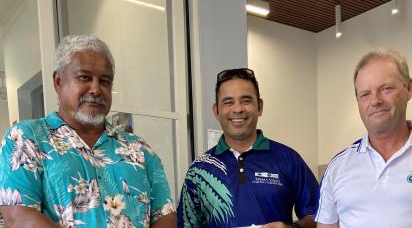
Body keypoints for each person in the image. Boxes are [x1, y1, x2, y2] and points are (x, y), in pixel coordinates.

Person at [0, 35, 176, 227]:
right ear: (58, 81)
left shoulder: (140, 150)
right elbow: (18, 217)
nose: (95, 89)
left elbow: (165, 216)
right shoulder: (25, 139)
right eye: (84, 78)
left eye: (105, 81)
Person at [177, 68, 319, 228]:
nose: (237, 109)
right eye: (228, 102)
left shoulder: (288, 159)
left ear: (259, 106)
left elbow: (320, 216)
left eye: (246, 100)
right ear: (216, 111)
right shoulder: (199, 170)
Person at [315, 49, 412, 228]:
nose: (375, 100)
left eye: (386, 89)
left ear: (409, 89)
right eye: (365, 94)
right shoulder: (338, 167)